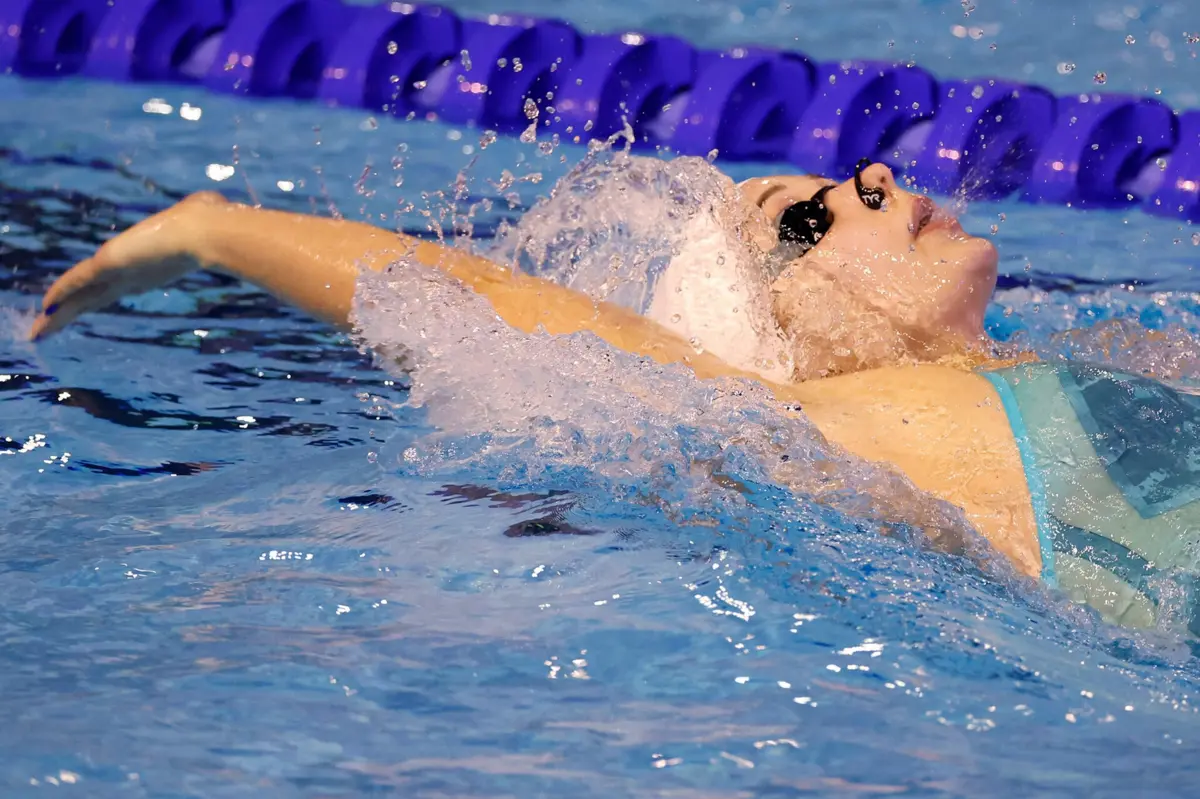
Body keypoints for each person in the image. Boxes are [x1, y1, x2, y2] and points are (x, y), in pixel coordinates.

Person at [28, 158, 1200, 636]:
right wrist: (223, 228)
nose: (874, 178)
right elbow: (528, 321)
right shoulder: (863, 425)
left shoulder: (1087, 366)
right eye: (808, 219)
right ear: (786, 338)